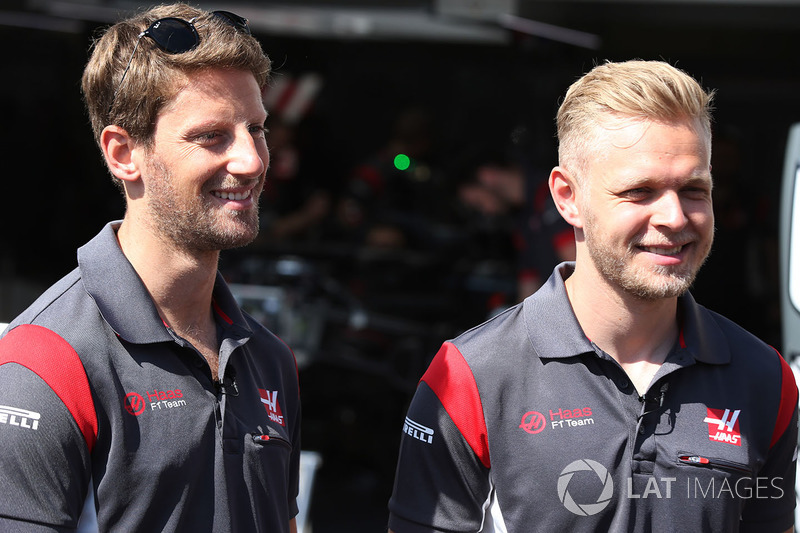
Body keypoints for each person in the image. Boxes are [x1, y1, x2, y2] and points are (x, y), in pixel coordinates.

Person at [388, 60, 798, 532]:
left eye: (693, 189)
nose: (675, 217)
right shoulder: (471, 374)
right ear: (568, 197)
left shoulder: (764, 377)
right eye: (639, 191)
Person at [0, 4, 300, 532]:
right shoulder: (44, 364)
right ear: (123, 154)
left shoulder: (268, 359)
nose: (251, 160)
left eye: (256, 128)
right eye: (211, 135)